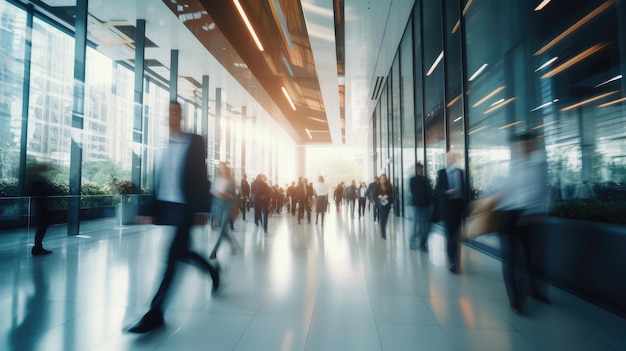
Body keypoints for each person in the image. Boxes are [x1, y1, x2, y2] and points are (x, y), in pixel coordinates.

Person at [128, 101, 219, 334]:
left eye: (175, 112)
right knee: (182, 253)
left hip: (186, 208)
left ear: (181, 116)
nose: (171, 116)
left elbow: (200, 176)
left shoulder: (194, 141)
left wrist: (203, 210)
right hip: (168, 206)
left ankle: (155, 313)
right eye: (168, 112)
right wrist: (149, 210)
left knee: (170, 258)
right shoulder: (166, 145)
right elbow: (159, 178)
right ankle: (211, 270)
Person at [495, 132, 550, 314]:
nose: (523, 149)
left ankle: (534, 290)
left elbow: (544, 190)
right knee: (511, 259)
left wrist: (540, 211)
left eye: (527, 145)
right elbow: (501, 192)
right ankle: (516, 299)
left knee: (531, 258)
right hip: (509, 215)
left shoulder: (538, 165)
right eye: (520, 146)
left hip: (529, 216)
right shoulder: (511, 167)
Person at [435, 151, 467, 274]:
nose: (450, 159)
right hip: (447, 208)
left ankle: (456, 259)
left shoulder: (461, 172)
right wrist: (446, 192)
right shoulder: (442, 173)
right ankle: (452, 262)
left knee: (456, 236)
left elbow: (465, 190)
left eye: (453, 157)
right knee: (449, 235)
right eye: (448, 158)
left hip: (458, 207)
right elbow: (437, 191)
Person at [209, 162, 241, 259]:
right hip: (217, 206)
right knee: (223, 230)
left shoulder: (230, 181)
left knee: (222, 230)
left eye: (223, 167)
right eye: (220, 167)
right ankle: (232, 245)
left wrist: (224, 195)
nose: (221, 169)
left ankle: (214, 251)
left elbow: (233, 196)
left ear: (226, 169)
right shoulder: (216, 179)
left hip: (227, 207)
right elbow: (212, 191)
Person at [28, 162, 53, 256]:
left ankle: (38, 247)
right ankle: (37, 247)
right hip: (41, 206)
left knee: (42, 225)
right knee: (43, 225)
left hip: (40, 206)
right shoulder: (36, 181)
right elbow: (42, 194)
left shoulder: (35, 180)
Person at [410, 162, 431, 251]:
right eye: (419, 168)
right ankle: (413, 242)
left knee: (425, 225)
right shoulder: (414, 179)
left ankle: (422, 244)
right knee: (417, 224)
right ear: (417, 169)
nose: (421, 170)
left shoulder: (425, 179)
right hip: (418, 205)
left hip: (425, 205)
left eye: (421, 168)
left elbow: (429, 191)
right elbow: (415, 192)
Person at [373, 174, 393, 239]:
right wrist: (378, 196)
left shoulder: (389, 186)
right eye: (381, 179)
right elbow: (374, 194)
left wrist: (387, 196)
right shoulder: (377, 186)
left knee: (385, 218)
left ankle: (383, 227)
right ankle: (383, 233)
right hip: (380, 203)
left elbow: (392, 195)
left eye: (384, 179)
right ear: (380, 179)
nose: (383, 180)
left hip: (387, 203)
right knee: (382, 217)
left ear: (385, 179)